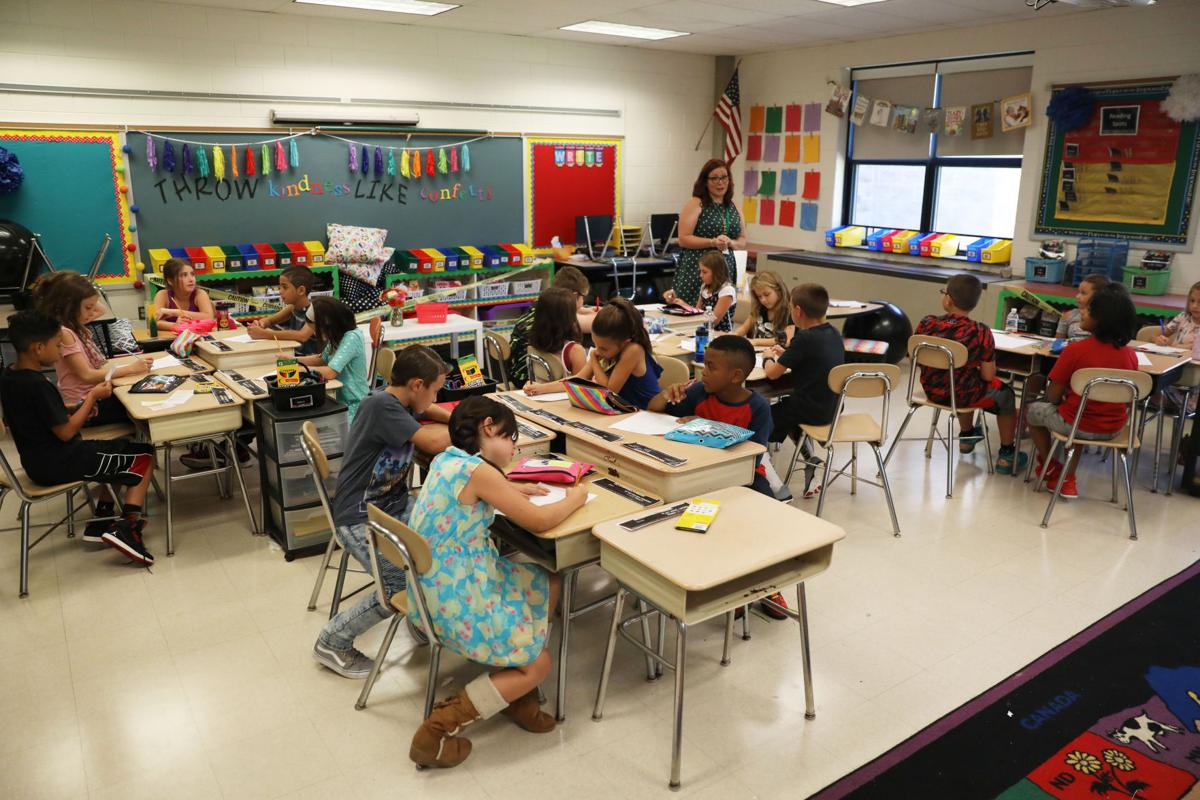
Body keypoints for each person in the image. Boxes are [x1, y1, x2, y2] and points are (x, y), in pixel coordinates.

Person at [407, 396, 587, 768]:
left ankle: (516, 689)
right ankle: (437, 730)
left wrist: (508, 488)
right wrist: (577, 498)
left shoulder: (448, 458)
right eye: (511, 437)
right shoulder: (482, 473)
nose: (515, 446)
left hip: (435, 587)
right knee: (539, 664)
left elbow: (475, 492)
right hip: (459, 596)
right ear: (489, 428)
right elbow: (540, 522)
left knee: (547, 580)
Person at [312, 345, 453, 679]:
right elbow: (431, 443)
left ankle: (420, 617)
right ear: (417, 385)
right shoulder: (381, 406)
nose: (435, 398)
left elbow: (432, 414)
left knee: (444, 544)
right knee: (395, 587)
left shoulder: (398, 400)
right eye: (434, 390)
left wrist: (463, 416)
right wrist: (474, 430)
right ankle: (333, 641)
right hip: (361, 516)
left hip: (390, 506)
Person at [0, 311, 156, 565]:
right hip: (58, 462)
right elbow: (65, 432)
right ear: (38, 348)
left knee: (120, 449)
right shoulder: (37, 384)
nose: (61, 351)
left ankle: (102, 519)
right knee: (144, 456)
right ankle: (128, 527)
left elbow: (43, 417)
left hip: (37, 459)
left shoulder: (10, 375)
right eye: (57, 345)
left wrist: (76, 407)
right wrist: (93, 398)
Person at [1026, 283, 1140, 498]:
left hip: (1077, 424)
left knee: (1034, 411)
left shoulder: (1075, 350)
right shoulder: (1130, 355)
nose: (1083, 312)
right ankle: (1067, 480)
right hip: (1114, 429)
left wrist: (1064, 398)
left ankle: (1050, 465)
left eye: (1089, 309)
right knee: (1076, 417)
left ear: (1101, 319)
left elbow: (1052, 395)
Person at [914, 275, 1023, 474]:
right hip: (962, 396)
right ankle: (1007, 454)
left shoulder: (927, 324)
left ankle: (967, 435)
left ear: (949, 299)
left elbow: (913, 355)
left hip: (931, 391)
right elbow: (988, 376)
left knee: (964, 381)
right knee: (1005, 394)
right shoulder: (980, 331)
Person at [32, 272, 151, 426]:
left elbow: (101, 310)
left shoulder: (71, 324)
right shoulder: (65, 333)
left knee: (137, 396)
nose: (92, 312)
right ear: (69, 306)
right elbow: (87, 375)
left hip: (92, 397)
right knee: (138, 405)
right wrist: (131, 368)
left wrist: (87, 290)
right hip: (85, 406)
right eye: (88, 307)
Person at [762, 284, 845, 497]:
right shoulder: (834, 333)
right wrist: (788, 353)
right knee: (789, 408)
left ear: (797, 311)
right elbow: (811, 358)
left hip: (809, 410)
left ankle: (768, 478)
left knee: (760, 418)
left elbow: (772, 374)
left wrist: (768, 358)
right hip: (833, 407)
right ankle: (812, 461)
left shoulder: (804, 338)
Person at [525, 298, 662, 409]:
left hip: (649, 413)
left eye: (603, 348)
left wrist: (593, 360)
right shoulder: (605, 351)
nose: (597, 350)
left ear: (625, 342)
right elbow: (578, 379)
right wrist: (540, 388)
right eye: (595, 344)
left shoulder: (633, 350)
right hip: (627, 414)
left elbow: (609, 391)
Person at [670, 159, 745, 307]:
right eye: (714, 178)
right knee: (692, 313)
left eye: (724, 177)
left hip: (725, 269)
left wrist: (730, 242)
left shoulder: (734, 205)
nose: (720, 182)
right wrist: (712, 242)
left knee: (721, 315)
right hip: (697, 269)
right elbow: (683, 239)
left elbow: (742, 240)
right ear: (705, 181)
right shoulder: (696, 203)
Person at [505, 266, 592, 386]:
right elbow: (582, 387)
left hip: (525, 378)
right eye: (583, 297)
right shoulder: (575, 351)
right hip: (536, 385)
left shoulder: (537, 331)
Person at [298, 297, 368, 423]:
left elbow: (330, 372)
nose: (315, 334)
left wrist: (301, 369)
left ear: (328, 323)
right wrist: (293, 360)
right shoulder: (337, 336)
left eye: (316, 329)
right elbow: (321, 359)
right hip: (338, 400)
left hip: (354, 406)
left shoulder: (352, 337)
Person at [519, 288, 587, 395]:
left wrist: (540, 387)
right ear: (569, 317)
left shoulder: (534, 342)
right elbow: (581, 385)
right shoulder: (575, 351)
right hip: (563, 405)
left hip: (540, 398)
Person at [247, 265, 318, 355]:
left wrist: (263, 334)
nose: (280, 291)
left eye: (285, 287)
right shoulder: (292, 307)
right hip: (291, 356)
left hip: (308, 364)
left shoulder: (315, 310)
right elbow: (269, 320)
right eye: (280, 287)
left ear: (301, 290)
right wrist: (261, 324)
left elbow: (302, 336)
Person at [1154, 280, 1200, 414]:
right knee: (1155, 383)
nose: (1195, 306)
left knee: (1157, 387)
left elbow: (1194, 347)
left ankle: (1179, 404)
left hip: (1192, 373)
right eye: (1192, 301)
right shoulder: (1184, 316)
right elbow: (1161, 333)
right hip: (1174, 367)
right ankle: (1160, 396)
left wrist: (1174, 345)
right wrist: (1159, 338)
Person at [152, 259, 214, 334]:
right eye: (184, 275)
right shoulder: (162, 295)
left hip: (197, 339)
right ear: (170, 281)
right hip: (171, 341)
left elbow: (209, 317)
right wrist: (176, 326)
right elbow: (155, 321)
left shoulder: (200, 294)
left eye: (192, 274)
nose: (191, 279)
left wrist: (175, 312)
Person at [733, 270, 792, 347]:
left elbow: (786, 340)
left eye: (767, 294)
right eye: (759, 296)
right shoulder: (760, 307)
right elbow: (744, 328)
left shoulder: (789, 312)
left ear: (779, 291)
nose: (763, 300)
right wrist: (734, 334)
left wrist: (755, 342)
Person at [1056, 274, 1109, 340]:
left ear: (1099, 296)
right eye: (1078, 292)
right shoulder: (1068, 316)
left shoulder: (1106, 319)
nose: (1077, 296)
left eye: (1083, 293)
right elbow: (1057, 344)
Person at [695, 251, 738, 332]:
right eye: (700, 271)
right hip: (704, 330)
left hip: (721, 334)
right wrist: (682, 304)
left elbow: (713, 321)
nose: (700, 275)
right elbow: (697, 312)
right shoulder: (704, 286)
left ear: (717, 273)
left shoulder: (727, 290)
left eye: (704, 272)